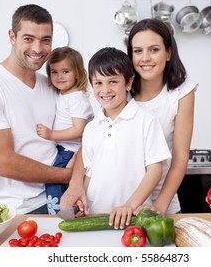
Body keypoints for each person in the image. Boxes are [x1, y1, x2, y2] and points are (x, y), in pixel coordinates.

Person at [61, 18, 198, 216]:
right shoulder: (117, 91)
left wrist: (159, 206)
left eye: (154, 49)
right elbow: (93, 144)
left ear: (168, 53)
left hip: (159, 198)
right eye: (138, 51)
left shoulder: (181, 93)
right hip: (114, 205)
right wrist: (76, 185)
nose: (145, 58)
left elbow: (180, 157)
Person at [0, 4, 72, 214]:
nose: (38, 49)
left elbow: (73, 136)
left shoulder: (51, 84)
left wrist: (76, 183)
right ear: (12, 37)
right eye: (28, 39)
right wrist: (68, 176)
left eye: (46, 40)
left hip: (66, 197)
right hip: (25, 209)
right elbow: (5, 163)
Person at [82, 47, 171, 228]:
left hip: (134, 216)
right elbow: (90, 172)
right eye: (98, 83)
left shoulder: (146, 121)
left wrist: (130, 205)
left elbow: (155, 171)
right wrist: (82, 199)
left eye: (113, 81)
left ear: (128, 83)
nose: (105, 89)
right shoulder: (90, 128)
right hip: (96, 215)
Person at [36, 46, 94, 214]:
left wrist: (51, 134)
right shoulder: (64, 94)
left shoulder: (76, 98)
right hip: (65, 149)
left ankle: (60, 215)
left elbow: (79, 129)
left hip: (71, 150)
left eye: (65, 71)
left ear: (78, 73)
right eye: (54, 72)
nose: (59, 76)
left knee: (53, 181)